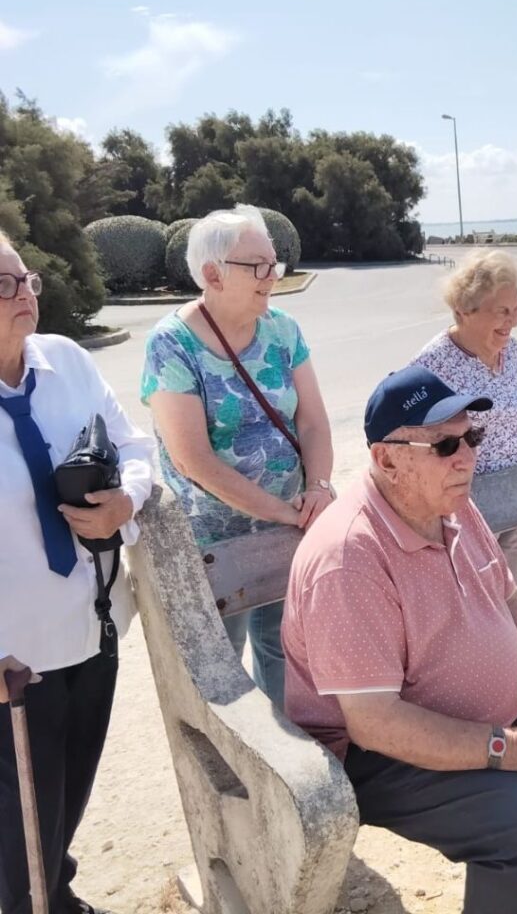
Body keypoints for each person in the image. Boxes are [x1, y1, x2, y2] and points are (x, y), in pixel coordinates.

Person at [282, 366, 517, 914]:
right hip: (382, 754)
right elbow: (375, 723)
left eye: (471, 436)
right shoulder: (349, 559)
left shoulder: (448, 503)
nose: (467, 457)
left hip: (487, 710)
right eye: (445, 444)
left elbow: (507, 595)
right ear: (386, 459)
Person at [0, 228, 156, 914]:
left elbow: (133, 443)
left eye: (26, 278)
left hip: (92, 632)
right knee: (18, 834)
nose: (25, 293)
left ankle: (57, 897)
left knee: (65, 801)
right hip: (11, 664)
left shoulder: (66, 359)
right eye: (3, 285)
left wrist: (129, 498)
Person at [142, 204, 333, 707]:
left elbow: (313, 421)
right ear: (212, 274)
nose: (273, 276)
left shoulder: (283, 330)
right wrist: (281, 512)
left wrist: (318, 488)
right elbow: (193, 460)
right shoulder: (171, 344)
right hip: (213, 545)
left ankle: (290, 743)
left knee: (284, 648)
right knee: (222, 669)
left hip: (290, 526)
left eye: (275, 264)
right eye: (259, 266)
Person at [412, 249, 517, 591]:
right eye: (502, 311)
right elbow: (413, 441)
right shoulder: (433, 363)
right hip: (467, 508)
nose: (513, 320)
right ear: (464, 311)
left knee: (513, 598)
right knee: (475, 601)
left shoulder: (513, 352)